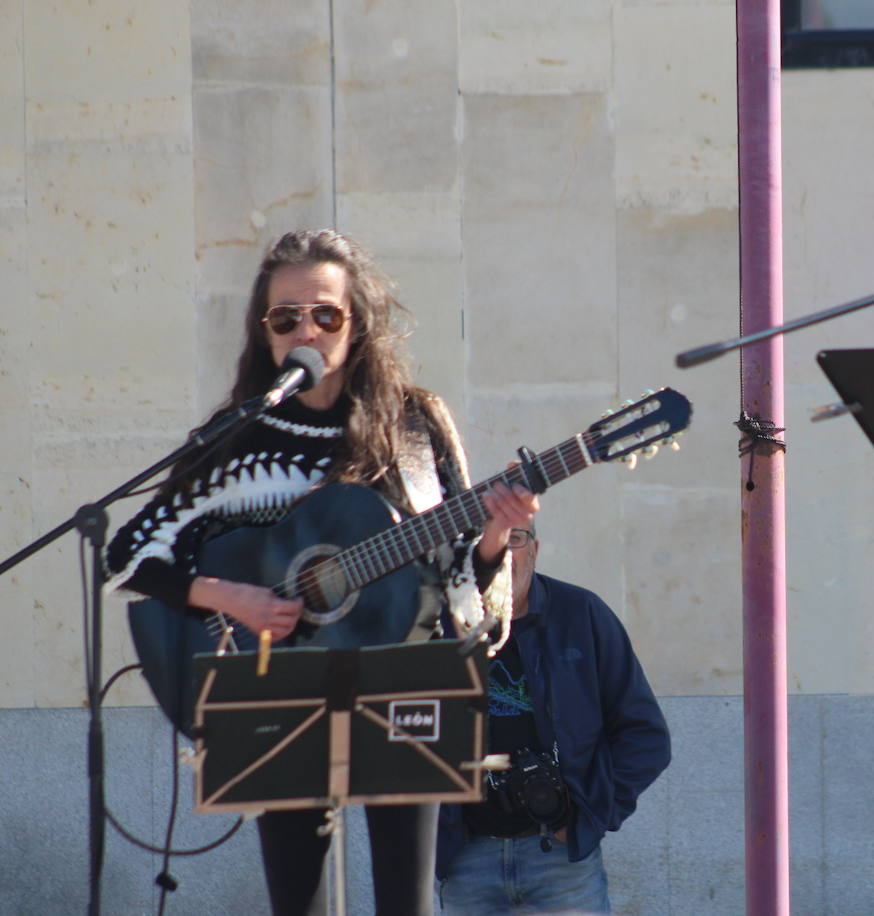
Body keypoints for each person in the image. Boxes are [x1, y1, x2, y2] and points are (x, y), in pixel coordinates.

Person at [106, 229, 539, 915]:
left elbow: (459, 576)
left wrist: (495, 531)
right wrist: (228, 596)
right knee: (297, 902)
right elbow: (130, 551)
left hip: (404, 684)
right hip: (277, 686)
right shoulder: (236, 439)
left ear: (357, 324)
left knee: (408, 902)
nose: (305, 328)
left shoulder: (414, 426)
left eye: (325, 314)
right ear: (266, 331)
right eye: (286, 317)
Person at [434, 522, 671, 914]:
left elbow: (646, 736)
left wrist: (591, 815)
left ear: (535, 549)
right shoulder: (437, 624)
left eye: (515, 539)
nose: (504, 554)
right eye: (490, 543)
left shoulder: (581, 614)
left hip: (560, 857)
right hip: (465, 855)